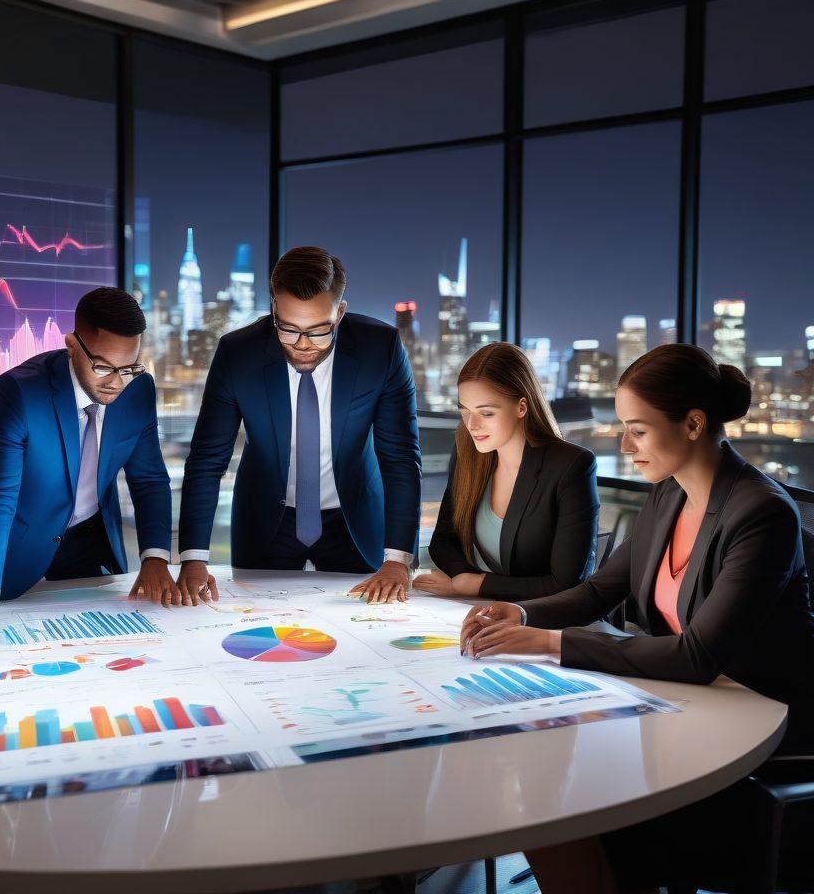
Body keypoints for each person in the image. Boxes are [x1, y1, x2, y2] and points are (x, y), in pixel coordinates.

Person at [459, 343, 814, 893]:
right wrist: (520, 609)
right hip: (690, 704)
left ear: (694, 423)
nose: (623, 446)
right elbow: (602, 588)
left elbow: (696, 656)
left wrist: (548, 642)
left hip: (759, 726)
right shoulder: (668, 496)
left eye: (638, 430)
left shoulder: (761, 513)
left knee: (567, 808)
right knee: (545, 791)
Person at [177, 246, 422, 604]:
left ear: (339, 313)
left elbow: (400, 456)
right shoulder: (237, 353)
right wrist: (193, 559)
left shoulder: (379, 349)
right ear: (274, 308)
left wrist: (399, 559)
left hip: (353, 520)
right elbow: (207, 459)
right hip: (266, 522)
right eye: (288, 329)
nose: (303, 344)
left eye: (318, 330)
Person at [0, 287, 177, 637]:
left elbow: (148, 480)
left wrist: (156, 557)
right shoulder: (19, 393)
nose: (116, 382)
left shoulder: (139, 389)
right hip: (16, 543)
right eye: (103, 367)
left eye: (128, 367)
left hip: (88, 538)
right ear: (72, 345)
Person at [414, 342, 598, 600]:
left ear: (522, 407)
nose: (472, 425)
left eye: (486, 413)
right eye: (464, 411)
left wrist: (476, 585)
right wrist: (465, 581)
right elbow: (443, 541)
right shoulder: (468, 451)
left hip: (545, 618)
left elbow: (567, 583)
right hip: (479, 606)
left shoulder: (571, 466)